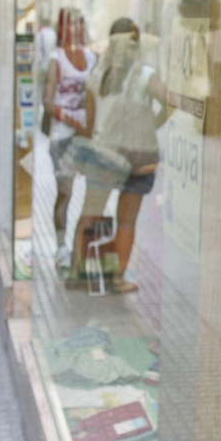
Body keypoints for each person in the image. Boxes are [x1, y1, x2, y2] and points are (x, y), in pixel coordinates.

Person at [72, 18, 176, 294]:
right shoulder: (144, 74)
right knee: (127, 220)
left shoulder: (96, 74)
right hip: (137, 158)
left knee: (89, 215)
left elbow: (90, 123)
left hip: (103, 155)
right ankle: (117, 279)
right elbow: (170, 101)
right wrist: (151, 125)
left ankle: (77, 273)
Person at [43, 15, 96, 267]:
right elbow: (48, 102)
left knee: (95, 193)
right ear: (61, 29)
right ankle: (61, 246)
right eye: (70, 24)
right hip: (63, 136)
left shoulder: (93, 58)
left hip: (89, 137)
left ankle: (82, 246)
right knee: (65, 192)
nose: (75, 28)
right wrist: (75, 123)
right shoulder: (57, 58)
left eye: (79, 23)